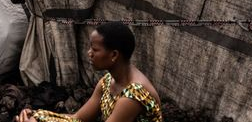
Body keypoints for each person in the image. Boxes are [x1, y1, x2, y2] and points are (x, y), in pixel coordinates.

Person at [16, 22, 162, 122]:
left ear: (114, 55)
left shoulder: (134, 96)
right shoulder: (107, 82)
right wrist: (37, 116)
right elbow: (78, 118)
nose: (89, 53)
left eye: (95, 49)